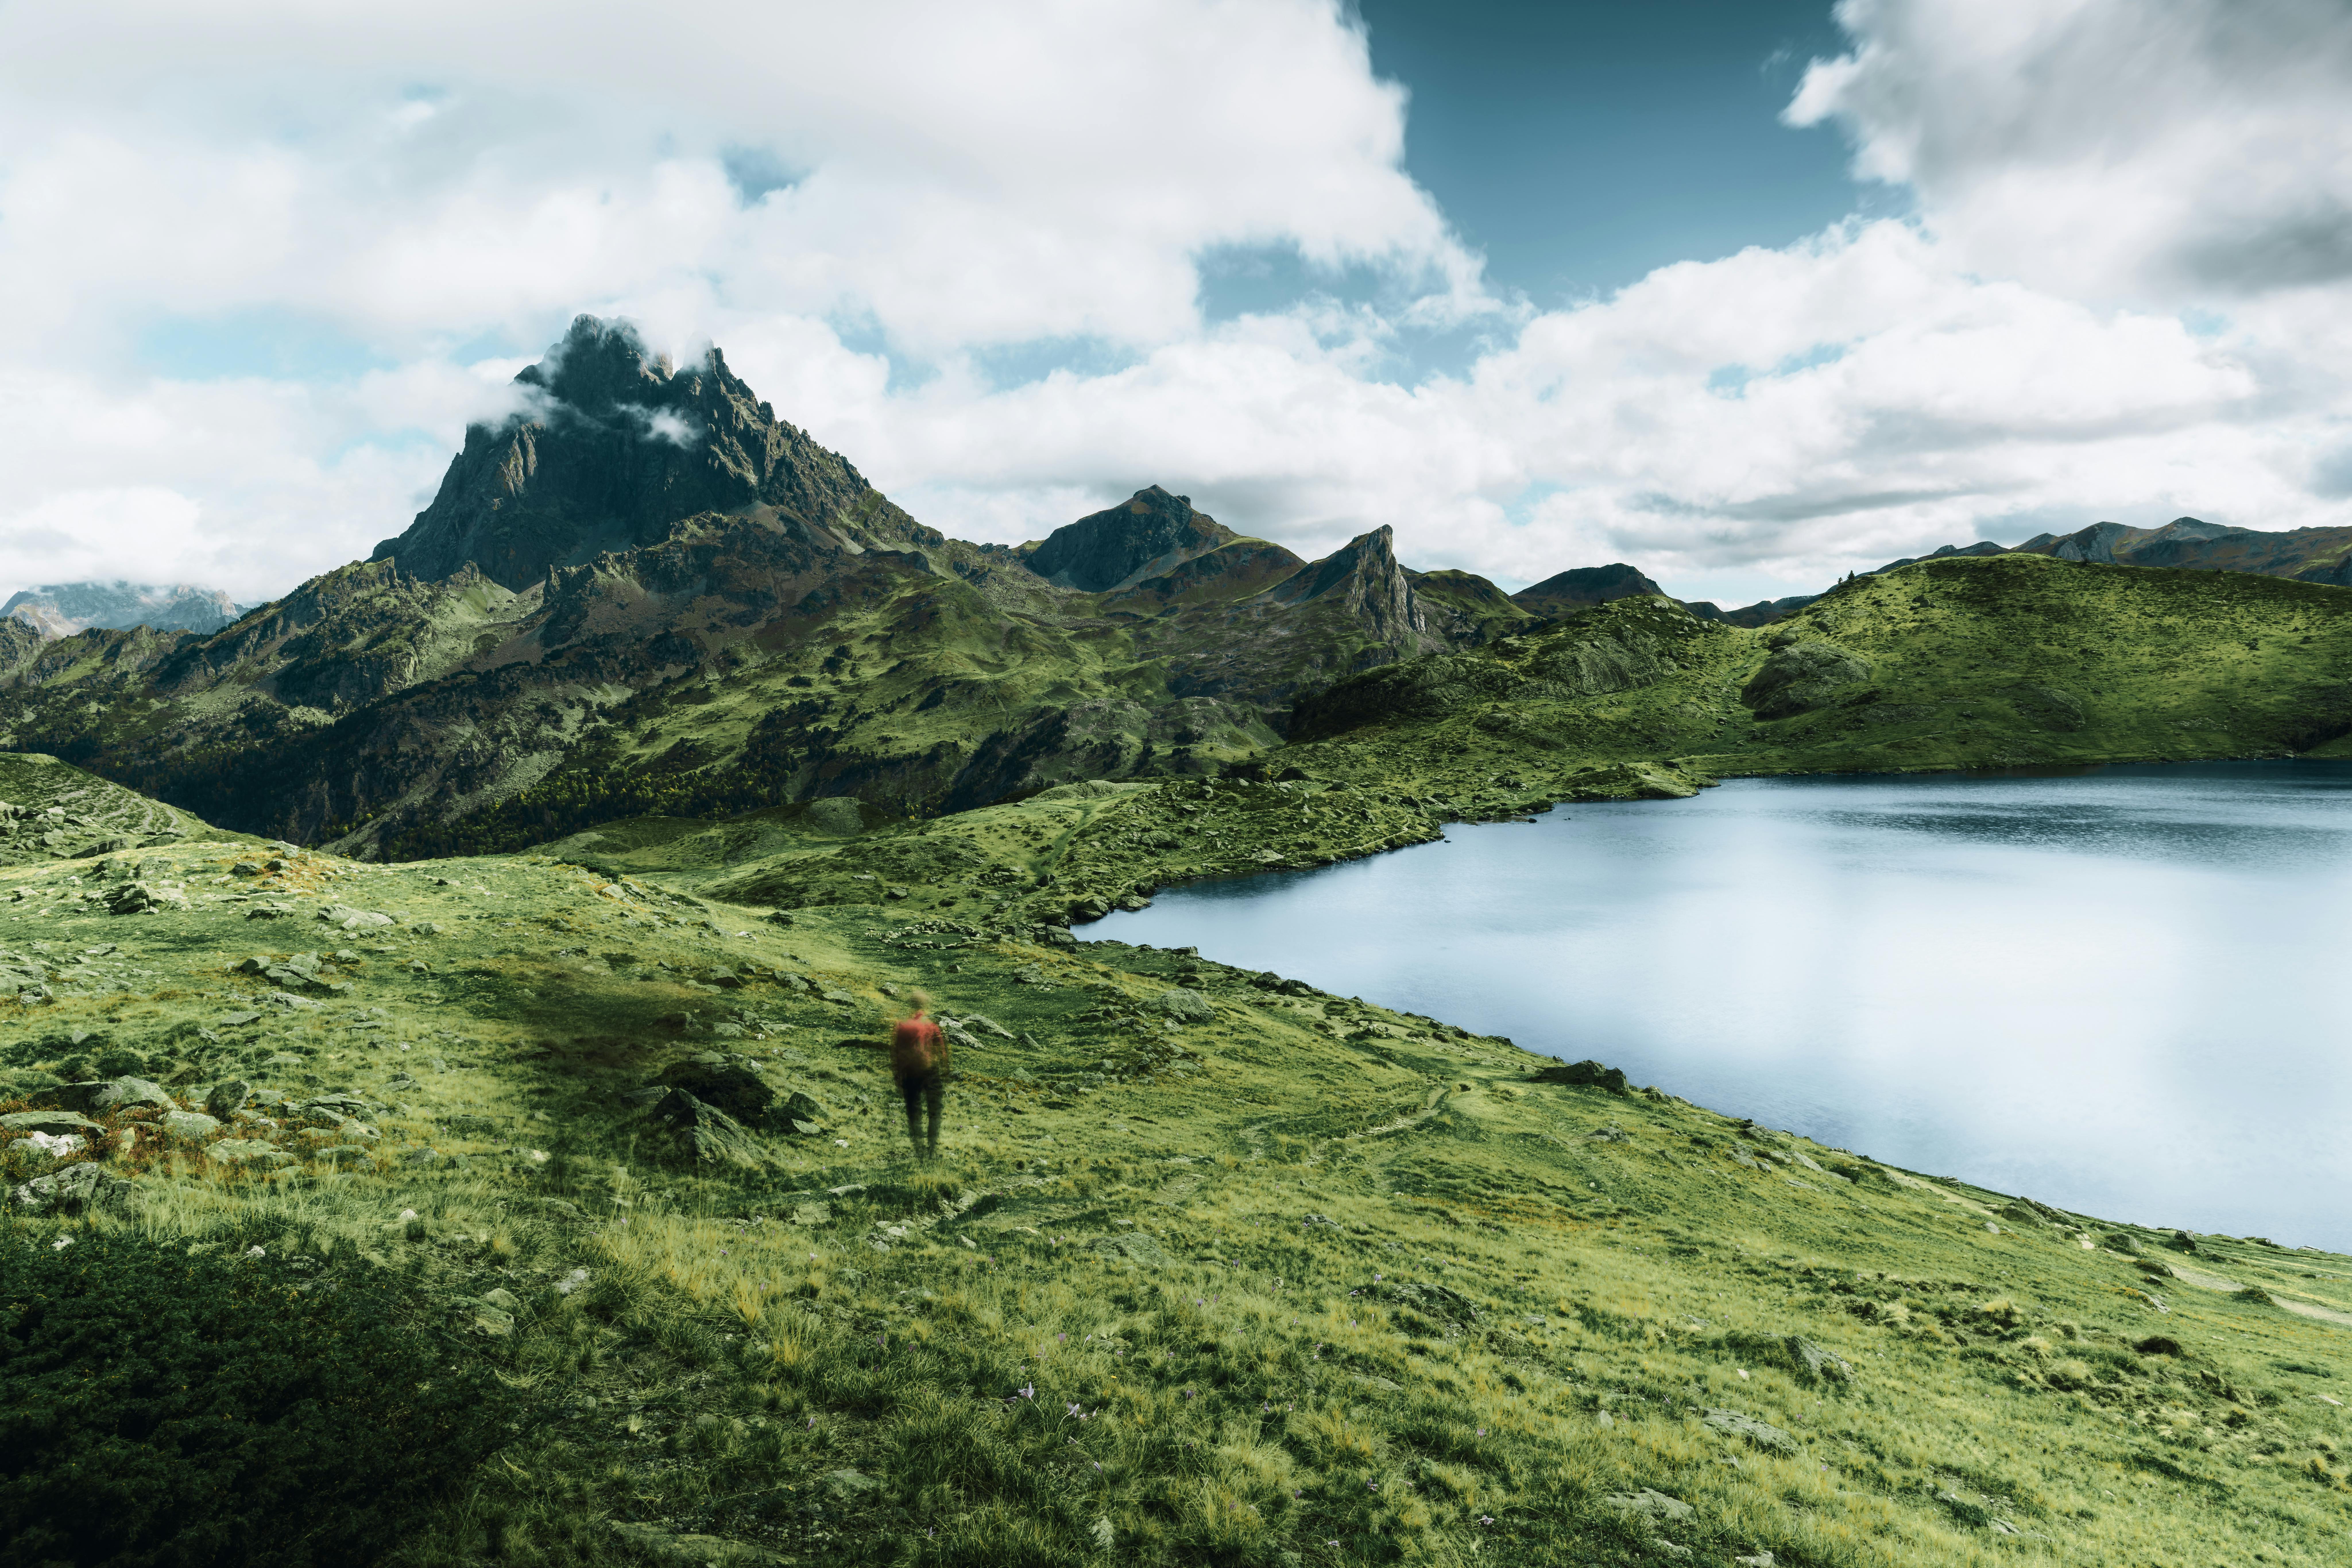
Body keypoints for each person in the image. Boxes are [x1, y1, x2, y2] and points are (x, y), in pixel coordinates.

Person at [890, 989, 949, 1158]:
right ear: (925, 1005)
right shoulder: (931, 1025)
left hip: (910, 1074)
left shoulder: (903, 1026)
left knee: (914, 1111)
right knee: (934, 1111)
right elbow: (942, 1051)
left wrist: (898, 1075)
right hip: (931, 1072)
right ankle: (932, 1149)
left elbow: (897, 1052)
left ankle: (919, 1150)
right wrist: (945, 1070)